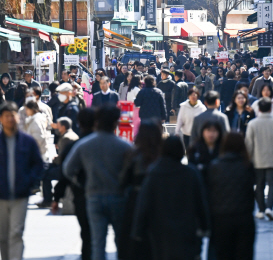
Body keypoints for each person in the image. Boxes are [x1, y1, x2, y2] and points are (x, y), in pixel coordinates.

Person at [0, 102, 44, 260]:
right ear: (0, 119)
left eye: (12, 115)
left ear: (17, 117)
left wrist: (30, 181)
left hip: (20, 194)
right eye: (6, 116)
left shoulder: (27, 141)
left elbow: (38, 164)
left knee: (16, 233)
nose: (10, 119)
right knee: (3, 235)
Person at [64, 105, 130, 260]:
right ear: (115, 123)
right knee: (121, 240)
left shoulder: (84, 145)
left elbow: (67, 169)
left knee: (97, 242)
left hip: (93, 196)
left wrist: (81, 183)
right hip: (118, 197)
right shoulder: (124, 146)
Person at [132, 136, 209, 260]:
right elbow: (200, 202)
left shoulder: (154, 174)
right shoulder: (191, 174)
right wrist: (205, 226)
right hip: (186, 231)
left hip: (160, 232)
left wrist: (138, 230)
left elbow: (144, 203)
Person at [51, 109, 93, 260]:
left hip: (81, 194)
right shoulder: (113, 144)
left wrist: (57, 197)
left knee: (86, 233)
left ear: (79, 123)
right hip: (107, 194)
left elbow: (65, 173)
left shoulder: (73, 146)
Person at [207, 133, 256, 260]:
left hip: (221, 219)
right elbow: (250, 192)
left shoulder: (215, 166)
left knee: (223, 254)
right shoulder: (247, 165)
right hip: (244, 218)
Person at [119, 121, 161, 260]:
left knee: (133, 243)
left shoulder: (133, 155)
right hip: (158, 203)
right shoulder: (162, 156)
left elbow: (123, 181)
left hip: (135, 201)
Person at [245, 97, 273, 221]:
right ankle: (269, 207)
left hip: (257, 159)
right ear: (270, 108)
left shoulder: (252, 124)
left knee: (259, 185)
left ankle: (261, 209)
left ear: (258, 109)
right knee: (272, 185)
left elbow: (248, 143)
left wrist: (250, 157)